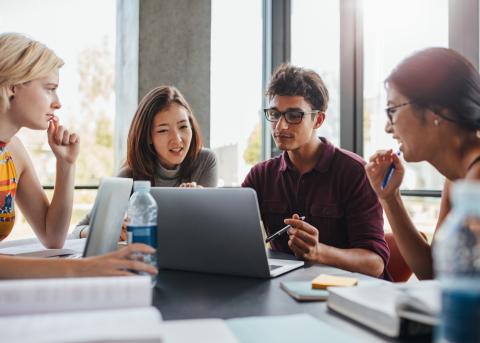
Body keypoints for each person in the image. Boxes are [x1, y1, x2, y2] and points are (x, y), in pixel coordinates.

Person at [0, 32, 156, 278]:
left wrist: (66, 164)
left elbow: (52, 237)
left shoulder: (13, 151)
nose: (58, 102)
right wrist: (80, 268)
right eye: (50, 89)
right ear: (12, 88)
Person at [242, 64, 390, 278]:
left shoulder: (355, 172)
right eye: (274, 114)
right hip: (285, 292)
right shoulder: (261, 175)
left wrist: (321, 252)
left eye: (294, 115)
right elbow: (232, 236)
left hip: (349, 294)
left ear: (318, 120)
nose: (280, 126)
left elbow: (375, 264)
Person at [365, 47, 480, 280]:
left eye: (392, 110)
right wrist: (389, 197)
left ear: (436, 110)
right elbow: (434, 274)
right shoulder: (457, 177)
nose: (388, 127)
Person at [73, 85, 218, 238]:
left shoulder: (206, 161)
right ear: (148, 137)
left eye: (183, 126)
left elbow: (208, 230)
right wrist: (113, 229)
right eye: (163, 130)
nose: (177, 139)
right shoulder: (129, 176)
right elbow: (77, 230)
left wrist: (203, 201)